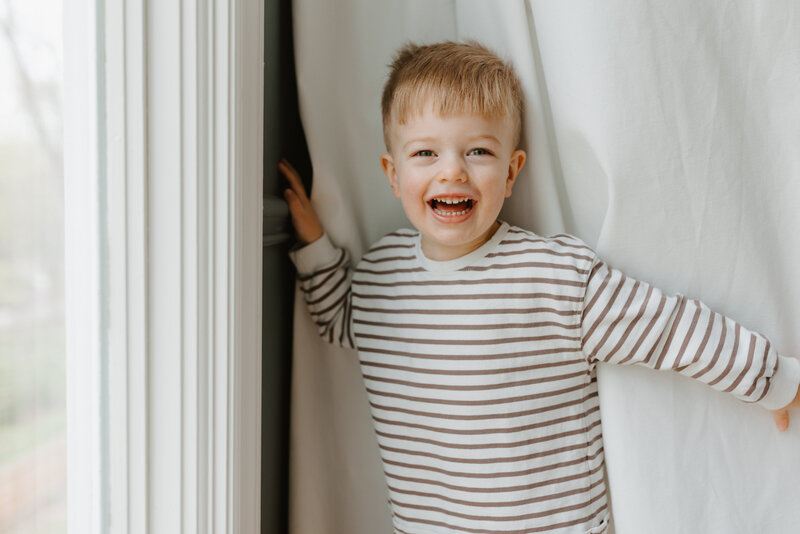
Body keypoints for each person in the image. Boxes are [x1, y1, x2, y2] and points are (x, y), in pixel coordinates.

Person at [279, 40, 800, 534]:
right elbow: (340, 318)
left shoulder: (553, 277)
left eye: (478, 151)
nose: (452, 171)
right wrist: (315, 244)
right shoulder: (380, 275)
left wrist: (771, 377)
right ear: (392, 175)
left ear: (511, 172)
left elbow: (666, 327)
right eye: (425, 155)